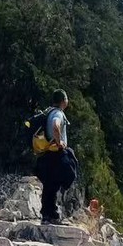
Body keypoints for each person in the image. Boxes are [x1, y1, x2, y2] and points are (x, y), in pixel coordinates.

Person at [34, 88, 79, 224]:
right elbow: (56, 125)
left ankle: (47, 215)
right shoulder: (58, 113)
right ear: (63, 101)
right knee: (68, 169)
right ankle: (51, 214)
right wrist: (59, 143)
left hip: (47, 153)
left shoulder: (48, 112)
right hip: (56, 153)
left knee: (49, 185)